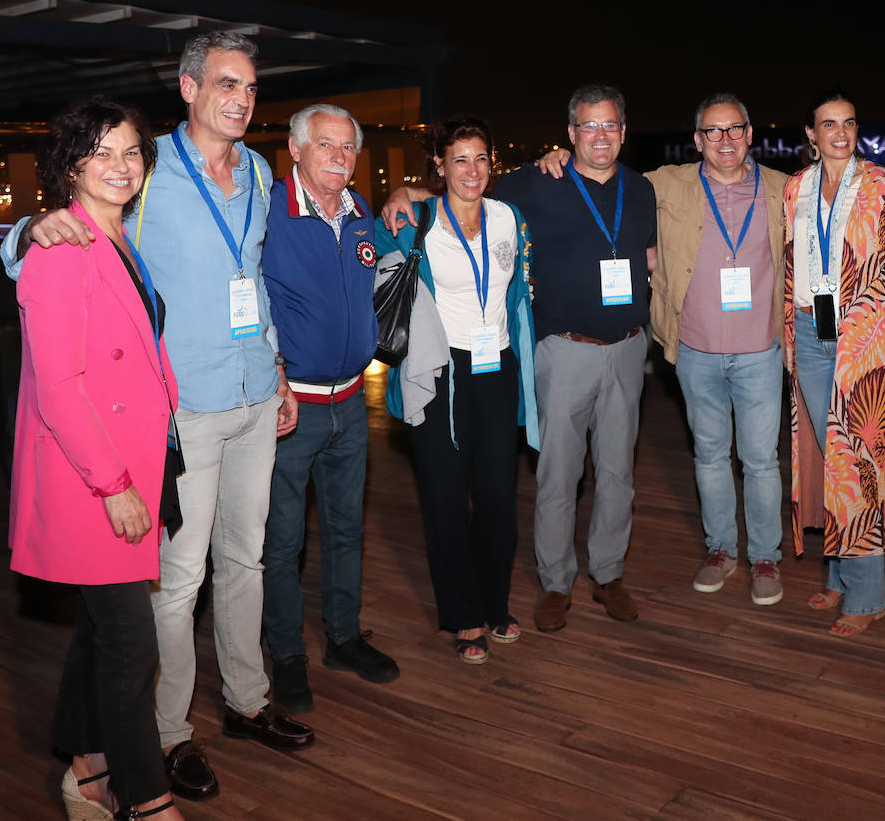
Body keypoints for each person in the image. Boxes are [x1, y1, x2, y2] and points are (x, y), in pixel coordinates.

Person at [2, 31, 313, 802]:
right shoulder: (146, 170)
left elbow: (255, 277)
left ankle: (245, 700)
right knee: (174, 584)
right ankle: (168, 736)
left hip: (249, 390)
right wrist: (25, 228)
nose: (240, 99)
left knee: (247, 561)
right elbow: (48, 244)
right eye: (226, 84)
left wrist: (274, 365)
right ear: (188, 86)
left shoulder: (263, 173)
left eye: (249, 87)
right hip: (179, 413)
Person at [384, 85, 656, 633]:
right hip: (562, 351)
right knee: (557, 474)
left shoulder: (644, 189)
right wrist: (399, 190)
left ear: (623, 132)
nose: (599, 136)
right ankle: (557, 583)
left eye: (609, 126)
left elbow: (651, 255)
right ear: (570, 134)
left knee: (616, 473)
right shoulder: (532, 184)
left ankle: (608, 573)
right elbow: (461, 187)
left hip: (627, 348)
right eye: (587, 126)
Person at [536, 93, 789, 605]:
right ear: (697, 140)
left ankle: (766, 557)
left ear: (750, 133)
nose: (724, 140)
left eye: (734, 129)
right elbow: (601, 178)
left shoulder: (785, 189)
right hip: (694, 349)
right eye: (712, 132)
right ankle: (721, 548)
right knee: (711, 457)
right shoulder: (665, 184)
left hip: (761, 350)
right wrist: (558, 157)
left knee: (762, 461)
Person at [10, 97, 183, 820]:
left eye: (131, 152)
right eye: (101, 152)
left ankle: (85, 768)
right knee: (131, 645)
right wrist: (113, 484)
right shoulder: (60, 248)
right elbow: (60, 386)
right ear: (71, 164)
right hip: (96, 477)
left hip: (139, 459)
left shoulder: (118, 237)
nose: (120, 165)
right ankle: (145, 797)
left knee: (98, 629)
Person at [375, 118, 538, 663]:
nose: (473, 170)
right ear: (439, 166)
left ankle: (496, 604)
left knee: (497, 498)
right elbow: (376, 267)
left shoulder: (508, 217)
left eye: (482, 159)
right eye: (460, 160)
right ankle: (463, 615)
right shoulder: (415, 219)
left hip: (499, 369)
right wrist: (397, 197)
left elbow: (519, 291)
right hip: (440, 372)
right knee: (445, 499)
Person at [261, 104, 398, 710]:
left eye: (348, 147)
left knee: (346, 530)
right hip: (294, 408)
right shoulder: (268, 213)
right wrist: (276, 374)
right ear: (295, 150)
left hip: (349, 404)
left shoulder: (361, 212)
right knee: (283, 539)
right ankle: (286, 655)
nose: (340, 157)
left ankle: (343, 637)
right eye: (326, 145)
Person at [785, 90, 885, 636]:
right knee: (828, 458)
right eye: (828, 124)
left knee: (861, 464)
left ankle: (867, 594)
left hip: (865, 337)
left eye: (849, 123)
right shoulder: (795, 188)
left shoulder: (883, 185)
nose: (840, 133)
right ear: (811, 134)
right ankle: (840, 574)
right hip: (807, 328)